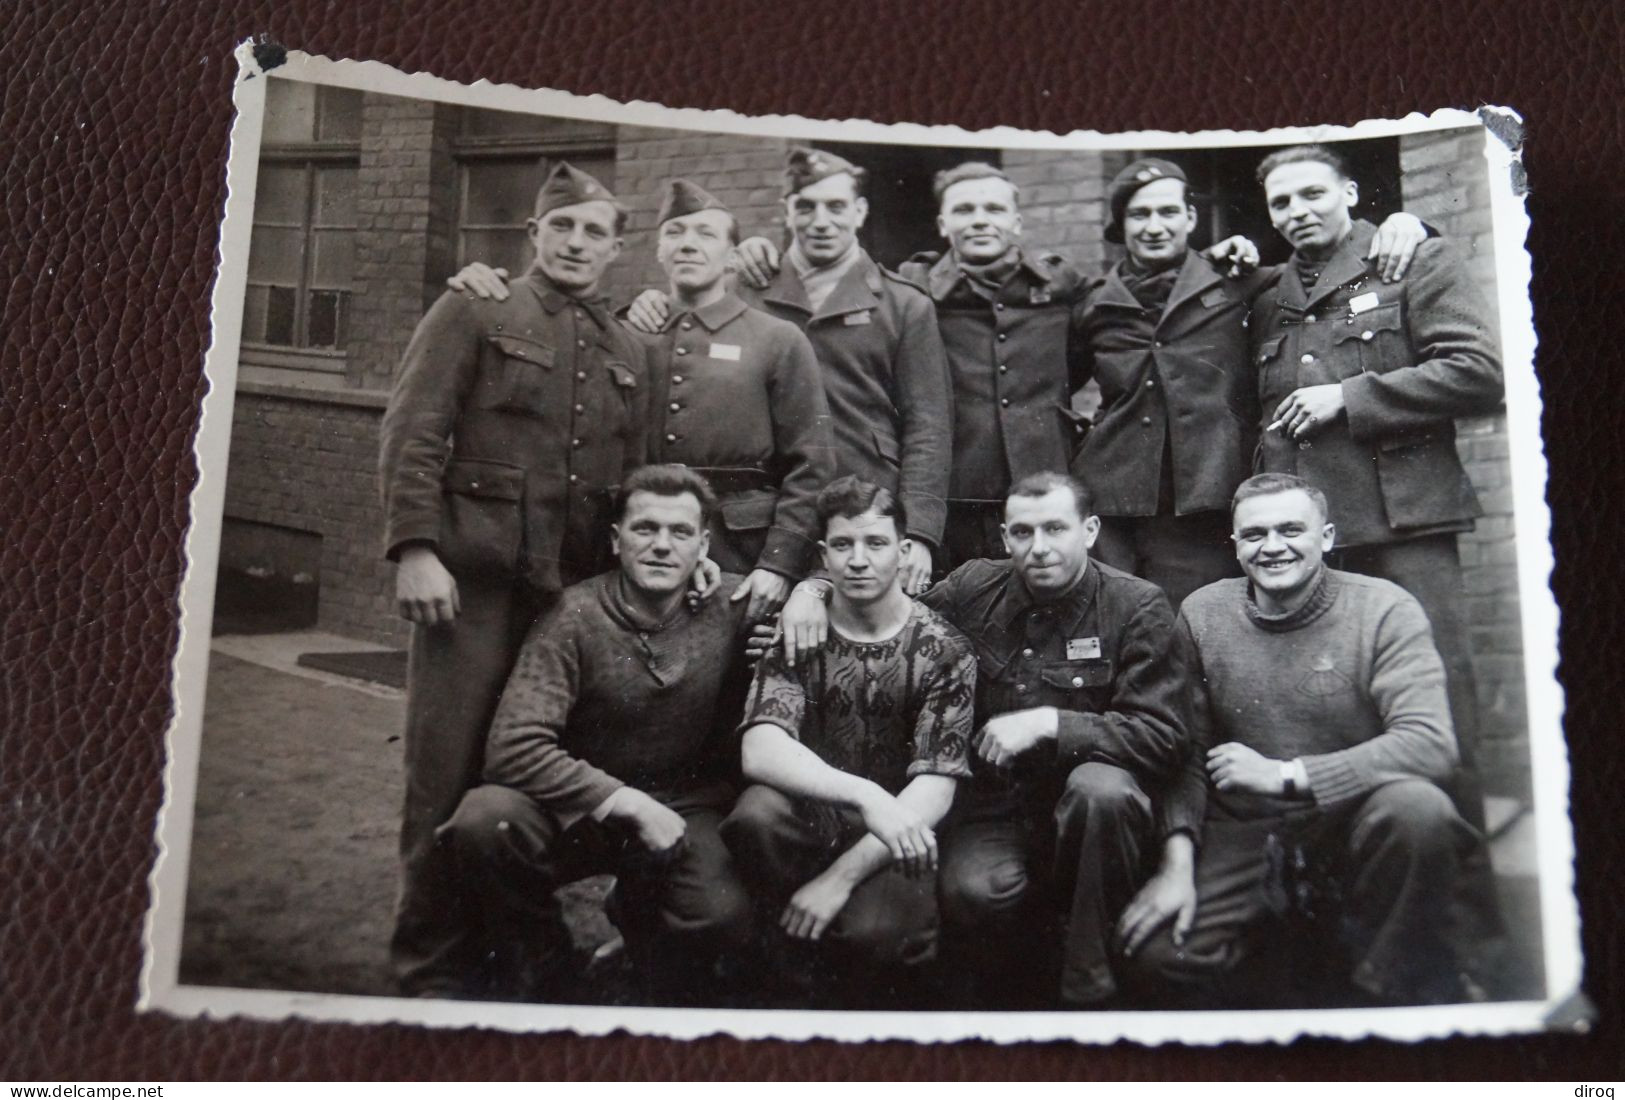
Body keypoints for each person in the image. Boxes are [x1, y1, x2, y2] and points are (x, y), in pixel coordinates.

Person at [379, 162, 676, 997]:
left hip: (568, 601)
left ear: (618, 250)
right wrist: (414, 547)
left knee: (523, 782)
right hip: (470, 588)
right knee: (442, 774)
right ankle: (429, 967)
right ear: (534, 236)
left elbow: (639, 474)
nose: (577, 243)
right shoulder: (475, 308)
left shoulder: (628, 347)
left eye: (594, 232)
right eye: (563, 228)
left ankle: (513, 956)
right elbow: (413, 429)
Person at [770, 471, 1190, 1007]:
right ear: (1004, 535)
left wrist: (1050, 723)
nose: (1038, 549)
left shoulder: (1137, 605)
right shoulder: (974, 587)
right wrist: (811, 590)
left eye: (1055, 530)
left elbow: (1165, 737)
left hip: (1093, 816)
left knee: (1099, 789)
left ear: (1089, 531)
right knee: (972, 893)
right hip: (997, 805)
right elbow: (889, 610)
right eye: (1022, 532)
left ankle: (1090, 985)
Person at [1118, 473, 1479, 1006]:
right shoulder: (1201, 611)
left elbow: (1428, 743)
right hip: (1247, 826)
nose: (1273, 547)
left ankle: (1389, 997)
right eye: (1255, 534)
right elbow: (1186, 753)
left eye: (1292, 530)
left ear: (1327, 537)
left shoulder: (1384, 608)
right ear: (1235, 545)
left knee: (1417, 809)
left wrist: (1290, 774)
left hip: (1353, 819)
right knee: (1161, 959)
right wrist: (1177, 866)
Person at [1248, 143, 1504, 838]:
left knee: (1435, 699)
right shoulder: (1270, 292)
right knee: (1333, 700)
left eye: (1312, 194)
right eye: (1281, 202)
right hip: (1316, 537)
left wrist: (1349, 396)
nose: (1297, 211)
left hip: (1402, 523)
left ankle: (1467, 888)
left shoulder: (1412, 258)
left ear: (1350, 192)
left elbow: (1480, 371)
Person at [439, 465, 755, 1002]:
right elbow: (513, 746)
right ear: (615, 540)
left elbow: (827, 589)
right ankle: (553, 970)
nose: (661, 546)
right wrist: (622, 800)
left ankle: (641, 947)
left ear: (704, 545)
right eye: (644, 529)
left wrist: (812, 592)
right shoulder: (573, 616)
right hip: (582, 807)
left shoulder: (731, 602)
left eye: (680, 533)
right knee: (485, 822)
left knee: (722, 918)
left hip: (682, 800)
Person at [1072, 158, 1428, 608]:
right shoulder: (1092, 303)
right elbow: (1051, 383)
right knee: (1115, 621)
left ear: (1191, 218)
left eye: (1167, 212)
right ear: (1120, 226)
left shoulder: (1244, 284)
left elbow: (1334, 266)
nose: (1154, 226)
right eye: (1139, 215)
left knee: (1195, 622)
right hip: (1112, 499)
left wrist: (1408, 223)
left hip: (1205, 495)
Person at [620, 148, 954, 595]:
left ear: (859, 212)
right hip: (766, 516)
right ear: (786, 212)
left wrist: (920, 532)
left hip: (866, 504)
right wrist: (648, 303)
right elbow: (689, 309)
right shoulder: (747, 287)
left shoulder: (904, 304)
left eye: (835, 207)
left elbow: (929, 425)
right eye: (806, 207)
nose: (821, 221)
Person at [721, 476, 977, 1004]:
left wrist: (837, 879)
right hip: (811, 818)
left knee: (876, 940)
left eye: (876, 543)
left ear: (904, 551)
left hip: (892, 837)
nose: (858, 560)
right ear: (823, 554)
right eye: (843, 545)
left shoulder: (945, 649)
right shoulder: (797, 631)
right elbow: (760, 746)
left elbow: (935, 785)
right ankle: (778, 976)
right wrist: (865, 794)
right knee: (756, 814)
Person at [633, 178, 835, 620]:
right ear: (658, 251)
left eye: (705, 234)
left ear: (731, 256)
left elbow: (812, 465)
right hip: (643, 545)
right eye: (675, 233)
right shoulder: (630, 334)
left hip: (742, 549)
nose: (687, 245)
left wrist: (780, 563)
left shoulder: (777, 338)